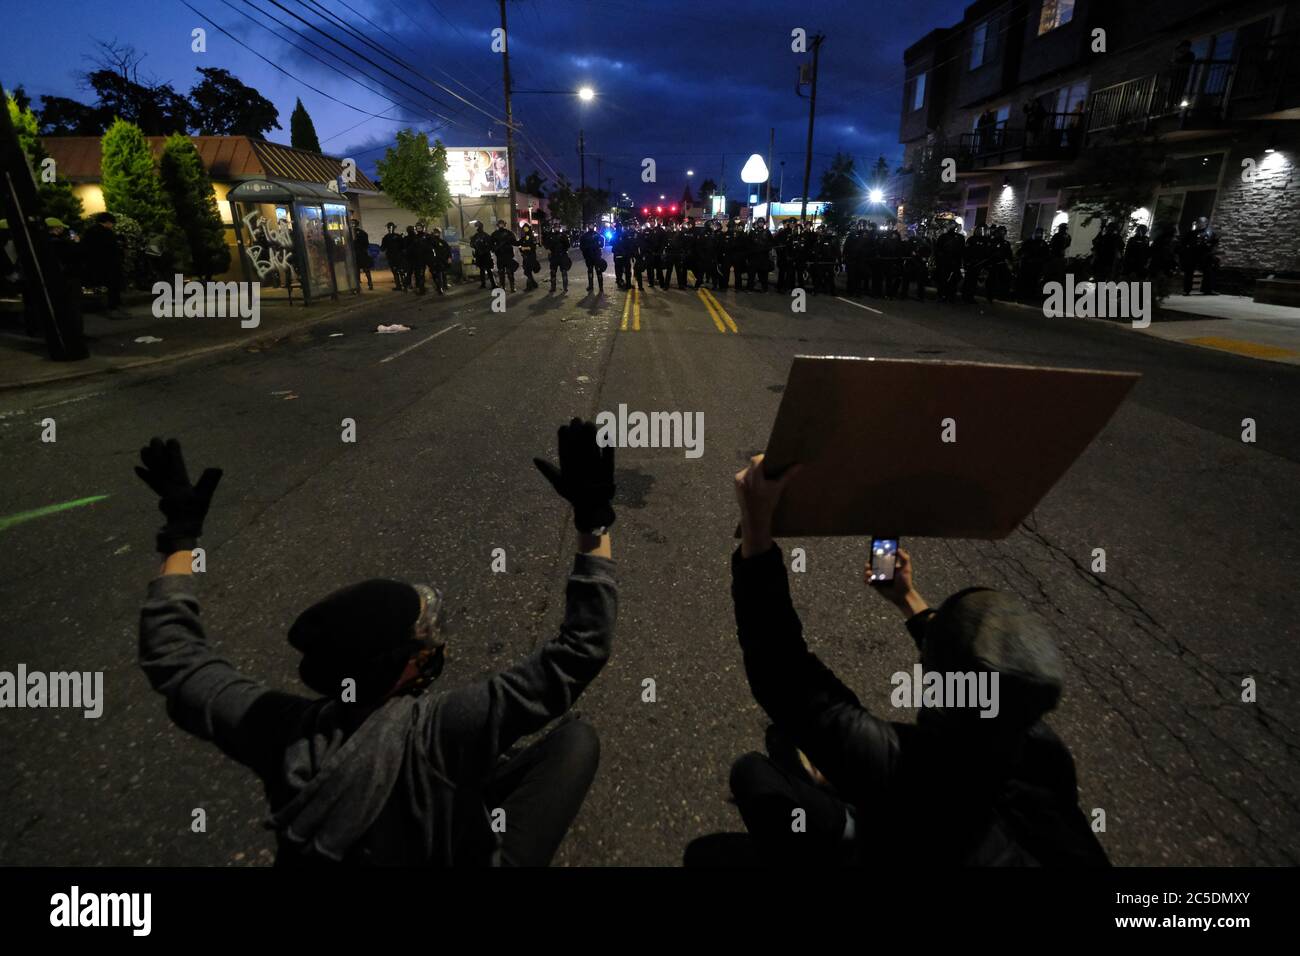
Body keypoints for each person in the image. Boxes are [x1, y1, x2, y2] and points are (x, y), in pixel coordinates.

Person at [134, 422, 618, 867]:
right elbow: (581, 649)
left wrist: (180, 537)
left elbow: (176, 658)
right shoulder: (439, 731)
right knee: (576, 739)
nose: (431, 646)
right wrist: (592, 521)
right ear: (400, 670)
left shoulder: (279, 733)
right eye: (421, 642)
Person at [706, 454, 1111, 867]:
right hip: (925, 832)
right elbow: (982, 674)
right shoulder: (1042, 756)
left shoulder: (906, 771)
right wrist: (908, 600)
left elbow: (782, 674)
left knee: (751, 783)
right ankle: (833, 789)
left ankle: (842, 825)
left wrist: (757, 525)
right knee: (793, 744)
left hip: (898, 834)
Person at [81, 211, 124, 312]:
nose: (112, 226)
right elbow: (114, 249)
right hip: (110, 264)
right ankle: (113, 305)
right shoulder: (108, 233)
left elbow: (84, 247)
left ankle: (101, 305)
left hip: (94, 264)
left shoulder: (89, 231)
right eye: (112, 223)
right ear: (108, 222)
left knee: (99, 285)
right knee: (113, 285)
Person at [1017, 226, 1051, 302]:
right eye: (1038, 233)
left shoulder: (1043, 244)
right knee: (1024, 281)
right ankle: (1022, 295)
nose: (1039, 235)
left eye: (1040, 233)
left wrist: (1041, 261)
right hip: (1027, 266)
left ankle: (1030, 296)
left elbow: (1047, 255)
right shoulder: (1028, 242)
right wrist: (1025, 257)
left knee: (1034, 282)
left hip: (1037, 266)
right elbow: (1020, 252)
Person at [934, 220, 965, 303]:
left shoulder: (960, 238)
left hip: (954, 263)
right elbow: (938, 250)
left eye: (952, 225)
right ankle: (941, 295)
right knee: (943, 280)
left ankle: (950, 296)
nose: (950, 227)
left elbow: (962, 251)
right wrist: (940, 260)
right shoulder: (943, 237)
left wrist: (959, 263)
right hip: (944, 262)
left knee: (953, 281)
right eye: (949, 225)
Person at [492, 219, 519, 293]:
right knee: (501, 272)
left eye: (502, 224)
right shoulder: (495, 234)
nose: (501, 225)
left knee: (510, 272)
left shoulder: (509, 233)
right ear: (498, 225)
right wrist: (495, 248)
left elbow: (514, 242)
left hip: (508, 255)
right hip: (500, 255)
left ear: (504, 224)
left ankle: (512, 287)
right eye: (500, 224)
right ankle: (503, 287)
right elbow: (491, 244)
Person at [380, 222, 408, 291]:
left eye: (390, 227)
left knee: (398, 271)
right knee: (397, 271)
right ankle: (401, 286)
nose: (390, 229)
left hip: (396, 256)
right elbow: (383, 248)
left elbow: (382, 248)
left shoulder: (389, 237)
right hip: (394, 256)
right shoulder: (390, 237)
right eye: (389, 227)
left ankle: (401, 286)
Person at [545, 225, 572, 293]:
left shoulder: (563, 235)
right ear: (553, 228)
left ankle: (565, 287)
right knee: (553, 272)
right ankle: (553, 287)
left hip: (562, 256)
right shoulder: (550, 236)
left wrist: (564, 240)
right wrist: (549, 248)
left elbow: (568, 245)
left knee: (564, 272)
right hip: (554, 256)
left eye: (558, 228)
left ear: (559, 228)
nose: (556, 229)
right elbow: (546, 245)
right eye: (555, 228)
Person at [579, 225, 605, 294]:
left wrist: (596, 247)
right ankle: (591, 285)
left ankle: (601, 287)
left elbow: (602, 244)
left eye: (592, 225)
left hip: (596, 256)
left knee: (598, 271)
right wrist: (585, 253)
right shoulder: (584, 236)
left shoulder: (598, 235)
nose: (591, 226)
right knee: (590, 271)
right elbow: (581, 246)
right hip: (589, 257)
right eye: (590, 225)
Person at [470, 221, 496, 290]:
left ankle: (493, 284)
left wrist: (484, 249)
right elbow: (471, 244)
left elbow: (490, 245)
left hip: (486, 254)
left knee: (489, 270)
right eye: (476, 226)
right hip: (479, 254)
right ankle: (483, 284)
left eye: (477, 226)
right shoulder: (475, 236)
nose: (477, 228)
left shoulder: (486, 235)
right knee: (481, 270)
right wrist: (475, 246)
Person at [405, 223, 429, 294]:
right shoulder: (416, 237)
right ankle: (419, 287)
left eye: (420, 228)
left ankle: (421, 288)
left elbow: (429, 247)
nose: (419, 229)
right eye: (417, 228)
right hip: (416, 259)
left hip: (421, 259)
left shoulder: (425, 236)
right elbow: (410, 248)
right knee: (418, 274)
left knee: (420, 274)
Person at [351, 220, 373, 291]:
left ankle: (357, 287)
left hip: (355, 254)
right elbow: (366, 244)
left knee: (356, 270)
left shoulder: (349, 233)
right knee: (366, 269)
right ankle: (370, 284)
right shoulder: (363, 233)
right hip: (362, 253)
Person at [428, 227, 451, 294]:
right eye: (435, 232)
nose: (436, 233)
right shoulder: (431, 242)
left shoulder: (442, 242)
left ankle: (444, 285)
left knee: (443, 273)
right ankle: (440, 288)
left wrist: (449, 257)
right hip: (435, 261)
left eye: (437, 232)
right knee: (438, 274)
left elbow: (448, 250)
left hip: (442, 261)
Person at [519, 224, 541, 291]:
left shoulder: (531, 236)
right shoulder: (524, 237)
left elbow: (533, 247)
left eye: (526, 228)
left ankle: (530, 286)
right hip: (525, 257)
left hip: (531, 256)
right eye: (524, 228)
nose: (525, 229)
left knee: (527, 271)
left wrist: (525, 248)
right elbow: (519, 244)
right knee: (527, 271)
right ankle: (534, 284)